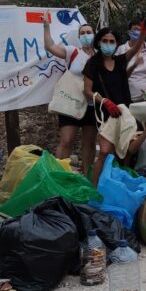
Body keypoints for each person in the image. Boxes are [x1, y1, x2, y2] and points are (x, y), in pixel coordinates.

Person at [82, 24, 146, 184]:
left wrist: (142, 34)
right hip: (106, 114)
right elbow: (87, 91)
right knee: (104, 152)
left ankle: (117, 186)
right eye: (105, 40)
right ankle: (95, 188)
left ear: (117, 43)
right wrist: (104, 101)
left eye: (112, 41)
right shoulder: (92, 64)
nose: (108, 44)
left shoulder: (120, 61)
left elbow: (135, 48)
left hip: (124, 113)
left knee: (124, 153)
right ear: (98, 42)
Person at [42, 13, 97, 174]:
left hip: (91, 105)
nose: (86, 35)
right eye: (83, 33)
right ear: (79, 37)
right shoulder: (72, 52)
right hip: (70, 102)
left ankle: (87, 176)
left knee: (89, 143)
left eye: (89, 32)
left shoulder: (101, 56)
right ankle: (58, 175)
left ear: (94, 34)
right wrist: (46, 26)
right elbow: (50, 46)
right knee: (66, 140)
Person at [116, 18, 146, 102]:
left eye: (140, 30)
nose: (138, 32)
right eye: (135, 29)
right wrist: (134, 65)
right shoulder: (121, 50)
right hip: (127, 98)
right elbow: (119, 76)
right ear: (129, 32)